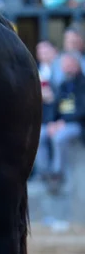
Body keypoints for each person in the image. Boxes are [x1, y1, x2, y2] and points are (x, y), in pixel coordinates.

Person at [36, 51, 85, 190]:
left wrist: (62, 123)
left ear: (76, 65)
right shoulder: (63, 83)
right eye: (63, 65)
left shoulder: (83, 83)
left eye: (68, 64)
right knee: (40, 134)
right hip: (61, 123)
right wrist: (52, 122)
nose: (65, 67)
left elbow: (82, 110)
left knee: (59, 137)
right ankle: (44, 172)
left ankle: (57, 173)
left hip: (77, 124)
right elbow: (55, 108)